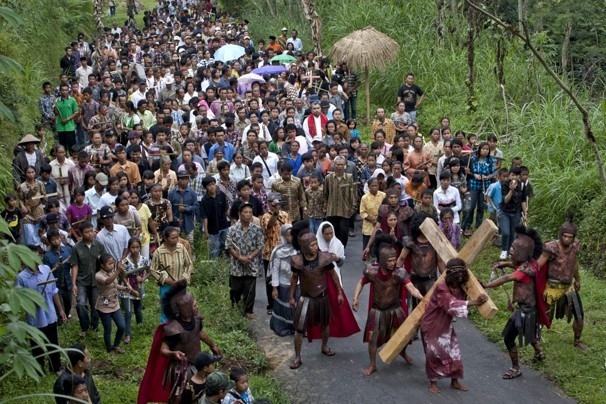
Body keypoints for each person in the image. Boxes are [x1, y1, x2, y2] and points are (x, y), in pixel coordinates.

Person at [482, 225, 550, 379]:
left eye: (513, 249)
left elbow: (507, 278)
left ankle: (515, 368)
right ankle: (539, 353)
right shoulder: (531, 265)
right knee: (530, 333)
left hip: (524, 311)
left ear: (521, 253)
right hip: (531, 310)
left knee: (508, 338)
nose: (511, 251)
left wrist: (486, 285)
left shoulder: (521, 271)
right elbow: (518, 267)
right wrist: (505, 264)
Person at [138, 281, 221, 404]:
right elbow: (163, 349)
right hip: (181, 369)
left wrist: (212, 345)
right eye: (194, 305)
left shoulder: (196, 320)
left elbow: (200, 332)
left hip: (196, 363)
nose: (197, 307)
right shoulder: (174, 328)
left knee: (201, 389)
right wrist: (172, 353)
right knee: (180, 396)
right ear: (186, 309)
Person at [288, 233, 359, 369]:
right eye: (312, 245)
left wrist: (339, 293)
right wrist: (291, 296)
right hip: (305, 298)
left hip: (322, 297)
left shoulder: (324, 258)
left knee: (325, 324)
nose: (316, 247)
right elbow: (293, 279)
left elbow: (334, 276)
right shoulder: (297, 261)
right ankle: (297, 356)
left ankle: (324, 346)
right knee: (299, 328)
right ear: (305, 247)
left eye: (316, 244)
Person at [352, 243, 424, 376]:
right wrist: (355, 298)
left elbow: (411, 287)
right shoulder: (372, 271)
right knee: (372, 339)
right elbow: (361, 282)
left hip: (395, 310)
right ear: (382, 261)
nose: (393, 263)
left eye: (394, 259)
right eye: (389, 260)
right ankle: (372, 364)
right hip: (377, 310)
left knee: (402, 337)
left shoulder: (399, 273)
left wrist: (422, 297)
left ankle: (403, 353)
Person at [421, 258, 488, 393]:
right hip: (432, 325)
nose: (460, 276)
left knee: (453, 353)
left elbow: (461, 299)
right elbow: (451, 305)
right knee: (433, 354)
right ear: (451, 274)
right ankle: (433, 382)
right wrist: (474, 302)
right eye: (458, 274)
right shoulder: (441, 287)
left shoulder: (459, 286)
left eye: (462, 274)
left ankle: (455, 381)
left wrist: (478, 288)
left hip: (446, 325)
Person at [537, 212, 587, 349]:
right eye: (564, 236)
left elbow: (573, 263)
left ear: (574, 238)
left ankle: (577, 342)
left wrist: (577, 279)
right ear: (561, 235)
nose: (567, 239)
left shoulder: (575, 246)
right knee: (544, 316)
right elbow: (538, 266)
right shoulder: (551, 247)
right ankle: (536, 343)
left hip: (568, 287)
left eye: (570, 237)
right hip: (551, 288)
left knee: (579, 315)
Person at [16, 263, 67, 374]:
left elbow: (54, 291)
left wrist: (60, 310)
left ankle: (56, 368)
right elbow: (19, 299)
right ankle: (39, 371)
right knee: (37, 346)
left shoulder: (47, 269)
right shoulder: (21, 277)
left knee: (53, 342)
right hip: (35, 318)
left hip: (50, 314)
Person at [227, 203, 265, 319]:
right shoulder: (232, 229)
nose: (248, 215)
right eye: (245, 212)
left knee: (250, 289)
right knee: (236, 289)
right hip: (236, 265)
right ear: (239, 214)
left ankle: (249, 310)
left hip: (251, 263)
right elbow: (229, 246)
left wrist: (249, 257)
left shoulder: (256, 229)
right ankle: (236, 309)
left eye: (250, 212)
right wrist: (240, 258)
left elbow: (260, 245)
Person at [151, 226, 194, 323]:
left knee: (182, 309)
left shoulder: (181, 248)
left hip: (180, 285)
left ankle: (181, 332)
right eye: (173, 238)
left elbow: (189, 264)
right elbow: (153, 270)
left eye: (177, 237)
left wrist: (184, 278)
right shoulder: (159, 252)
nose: (176, 240)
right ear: (165, 239)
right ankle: (166, 333)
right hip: (166, 287)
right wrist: (166, 280)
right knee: (166, 310)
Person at [71, 221, 105, 337]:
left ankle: (94, 326)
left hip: (96, 281)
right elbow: (74, 265)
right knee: (81, 304)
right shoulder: (76, 248)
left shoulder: (99, 245)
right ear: (81, 233)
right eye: (87, 232)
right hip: (82, 281)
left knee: (96, 305)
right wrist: (74, 283)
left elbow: (104, 263)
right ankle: (84, 327)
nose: (90, 234)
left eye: (92, 231)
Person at [95, 253, 131, 353]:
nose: (112, 265)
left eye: (113, 263)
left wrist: (124, 288)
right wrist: (118, 270)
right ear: (102, 265)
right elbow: (107, 282)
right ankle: (109, 348)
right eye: (109, 264)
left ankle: (116, 345)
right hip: (103, 306)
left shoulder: (112, 272)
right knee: (108, 329)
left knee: (122, 326)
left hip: (115, 304)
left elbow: (114, 284)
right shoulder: (98, 275)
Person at [269, 224, 299, 336]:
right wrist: (274, 288)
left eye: (292, 235)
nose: (290, 237)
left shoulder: (299, 250)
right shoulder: (278, 252)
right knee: (284, 307)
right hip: (284, 284)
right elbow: (275, 271)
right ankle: (283, 327)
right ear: (283, 236)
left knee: (297, 306)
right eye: (288, 235)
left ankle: (297, 327)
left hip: (297, 284)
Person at [121, 237, 151, 345]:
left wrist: (143, 279)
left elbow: (149, 271)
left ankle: (140, 327)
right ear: (129, 248)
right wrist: (127, 284)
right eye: (132, 247)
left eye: (137, 247)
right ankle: (127, 334)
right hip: (127, 289)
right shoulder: (125, 261)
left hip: (138, 288)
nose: (135, 250)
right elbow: (122, 275)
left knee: (138, 309)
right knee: (128, 311)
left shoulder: (144, 259)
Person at [324, 156, 357, 247]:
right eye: (338, 164)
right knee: (332, 230)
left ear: (345, 166)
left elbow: (353, 193)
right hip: (332, 209)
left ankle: (342, 248)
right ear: (334, 165)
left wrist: (353, 206)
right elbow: (325, 193)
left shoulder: (349, 178)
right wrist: (325, 206)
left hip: (345, 209)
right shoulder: (328, 178)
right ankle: (333, 248)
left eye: (342, 164)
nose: (339, 167)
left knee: (344, 231)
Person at [42, 229, 73, 316]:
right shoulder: (47, 256)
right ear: (49, 241)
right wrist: (54, 268)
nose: (56, 241)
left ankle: (66, 316)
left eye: (58, 238)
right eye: (53, 239)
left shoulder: (68, 250)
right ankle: (60, 319)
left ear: (60, 238)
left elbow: (73, 265)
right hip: (56, 285)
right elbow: (46, 273)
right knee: (59, 305)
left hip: (68, 283)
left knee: (68, 304)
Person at [200, 176, 230, 259]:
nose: (212, 186)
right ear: (206, 187)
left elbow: (226, 210)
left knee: (225, 246)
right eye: (209, 185)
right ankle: (214, 266)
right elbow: (204, 217)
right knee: (214, 249)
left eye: (213, 184)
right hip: (212, 229)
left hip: (224, 225)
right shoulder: (204, 200)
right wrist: (205, 231)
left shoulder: (221, 194)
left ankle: (225, 263)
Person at [168, 171, 199, 244]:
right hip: (175, 225)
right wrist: (175, 219)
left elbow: (196, 207)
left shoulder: (192, 192)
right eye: (182, 179)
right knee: (176, 244)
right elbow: (169, 208)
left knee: (190, 244)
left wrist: (186, 209)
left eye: (186, 179)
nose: (184, 181)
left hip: (189, 224)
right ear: (178, 180)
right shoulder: (172, 192)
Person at [315, 221, 346, 286]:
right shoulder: (315, 244)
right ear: (321, 234)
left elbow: (341, 263)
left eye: (331, 233)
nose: (329, 236)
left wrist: (337, 259)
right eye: (326, 234)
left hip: (334, 275)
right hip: (319, 275)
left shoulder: (338, 244)